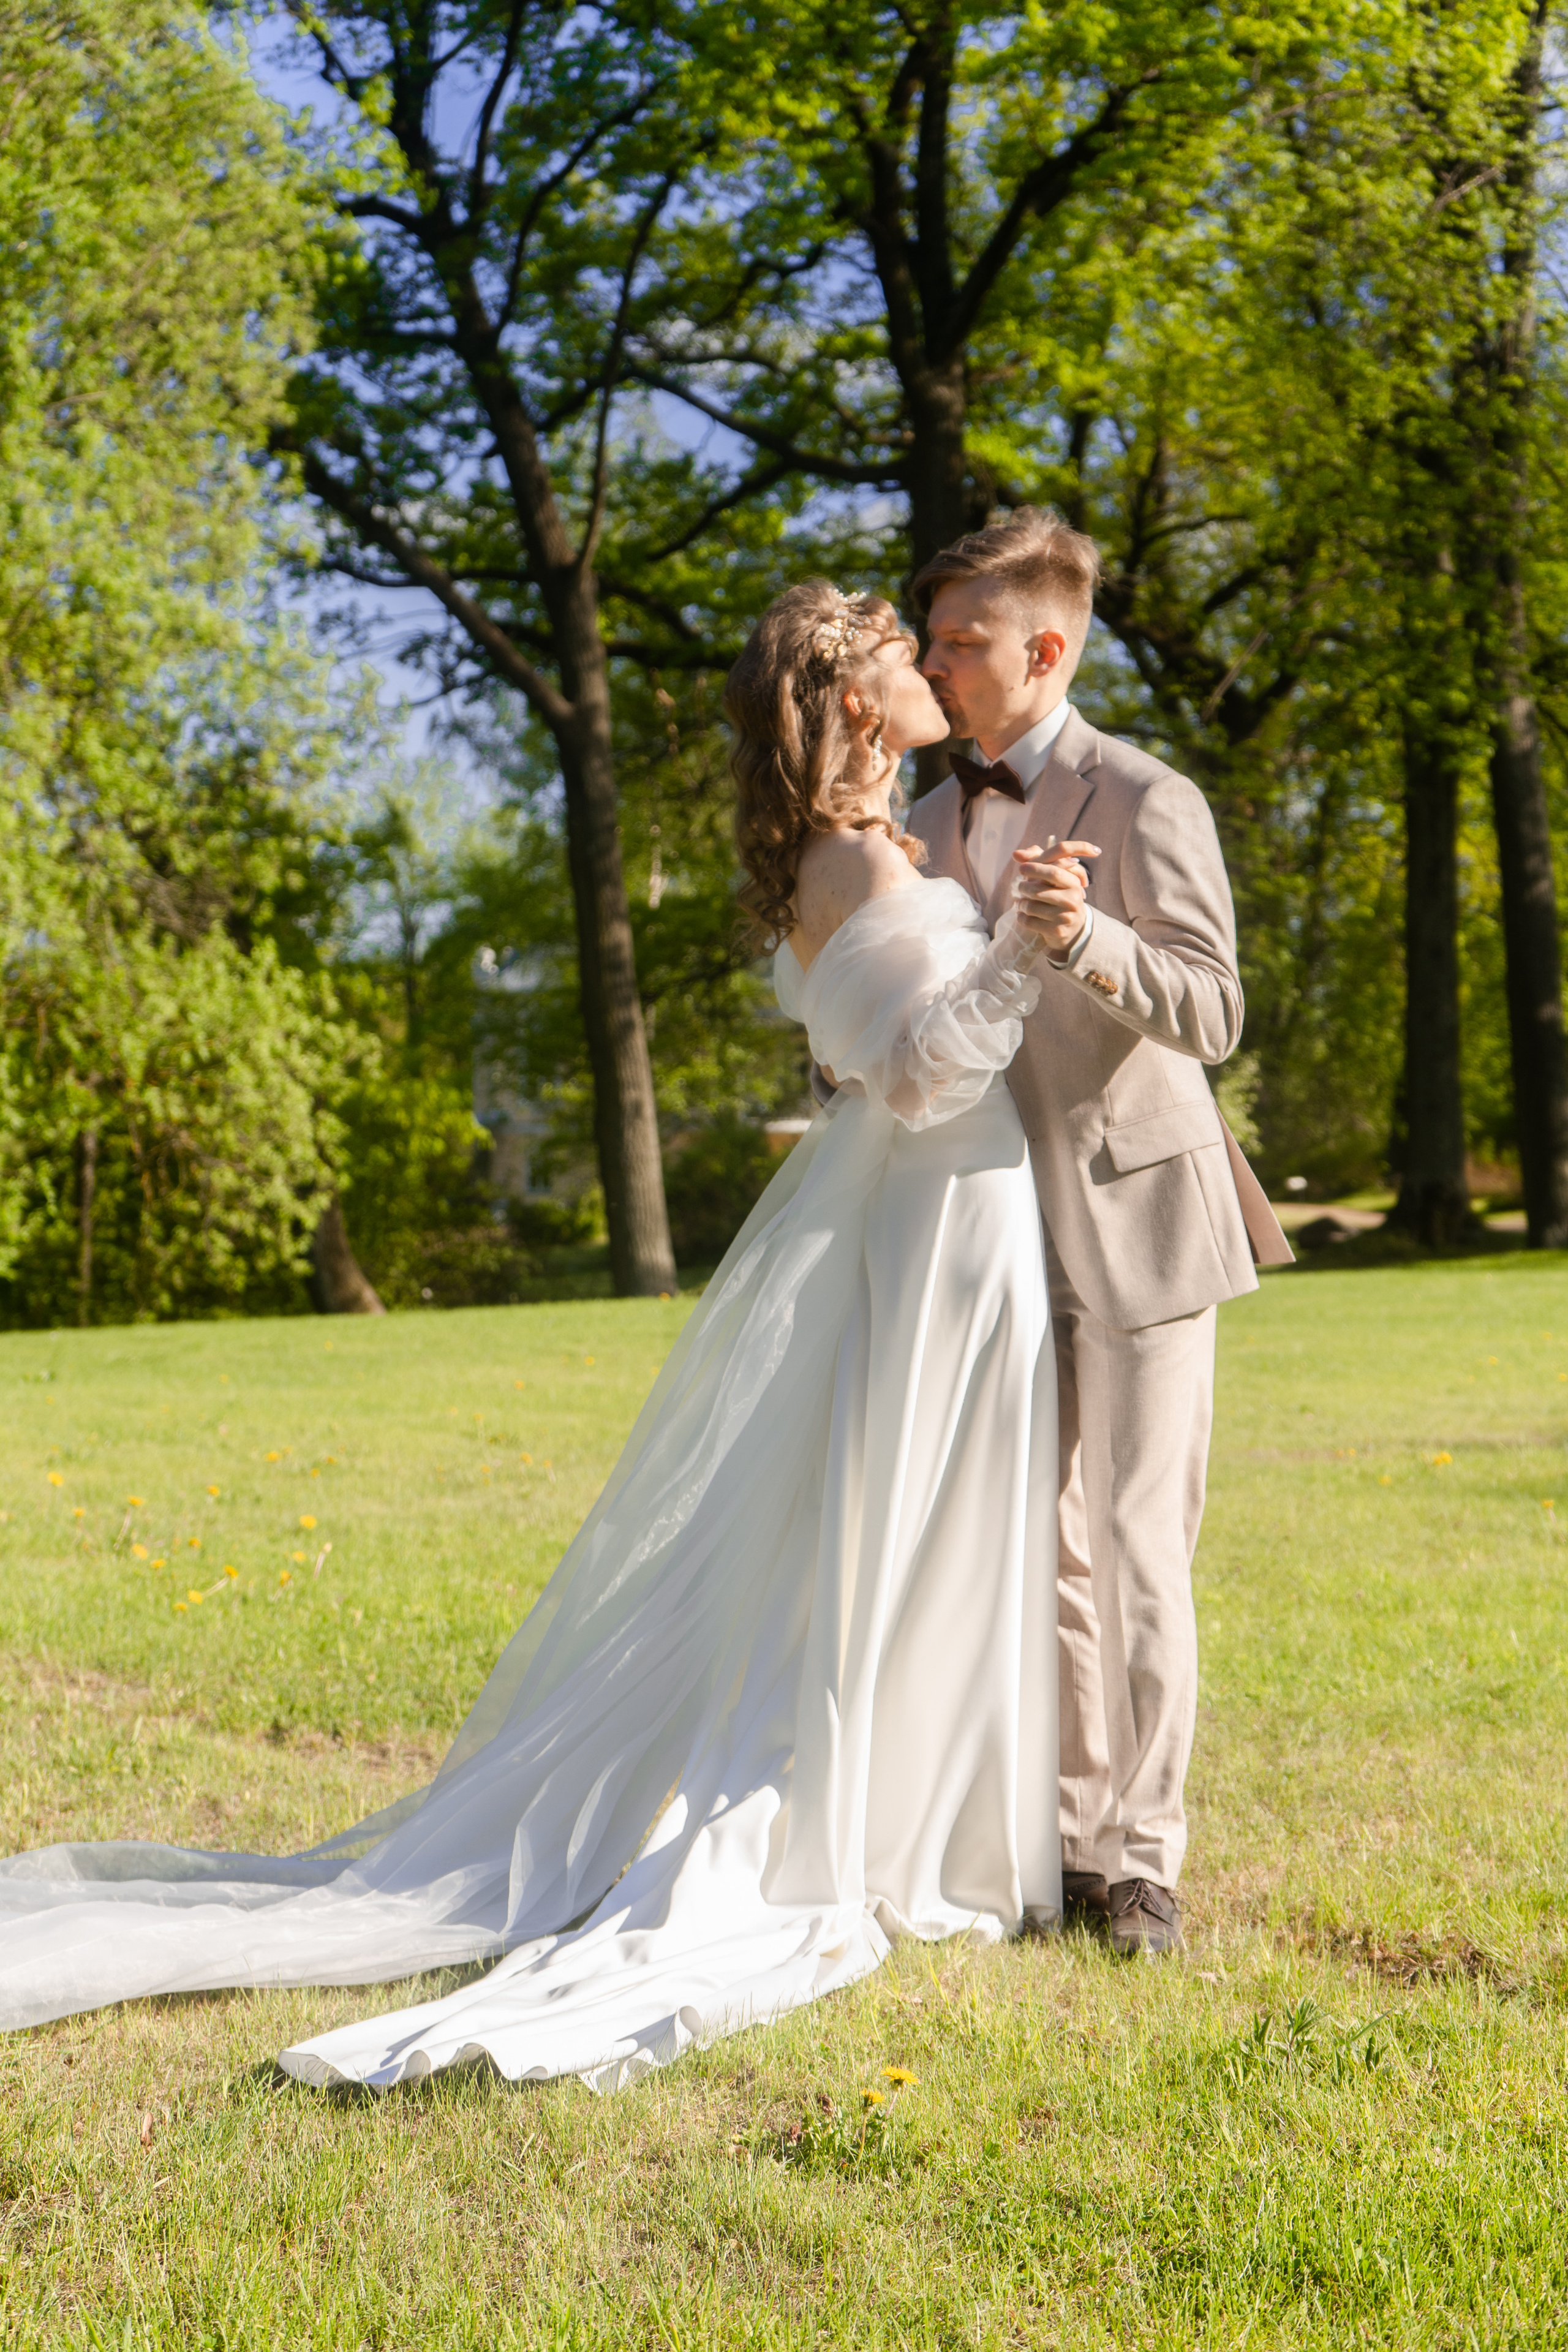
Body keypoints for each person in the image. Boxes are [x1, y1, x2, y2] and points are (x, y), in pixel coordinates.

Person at [0, 584, 1083, 2089]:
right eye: (905, 659)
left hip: (963, 1228)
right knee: (896, 1521)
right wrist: (1027, 949)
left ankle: (940, 1809)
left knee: (928, 1522)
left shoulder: (878, 843)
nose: (926, 678)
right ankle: (870, 1829)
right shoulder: (845, 859)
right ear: (851, 701)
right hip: (933, 1226)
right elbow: (910, 1078)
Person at [905, 508, 1293, 1959]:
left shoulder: (1141, 794)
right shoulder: (928, 821)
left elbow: (1211, 1006)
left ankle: (1140, 1864)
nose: (935, 659)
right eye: (933, 636)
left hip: (1138, 1217)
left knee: (1135, 1545)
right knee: (1039, 1549)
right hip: (987, 1236)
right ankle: (1064, 1840)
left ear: (1044, 648)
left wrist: (1086, 944)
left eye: (960, 639)